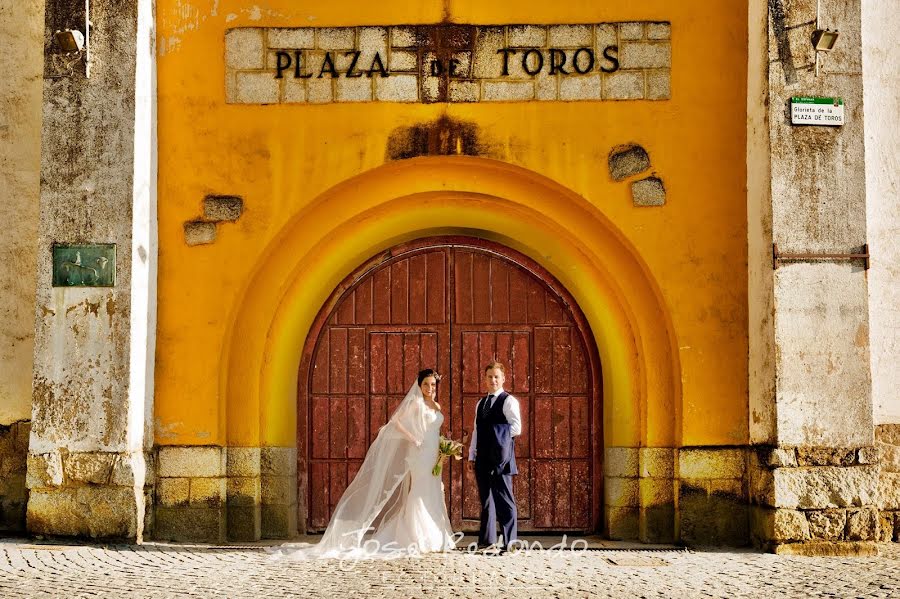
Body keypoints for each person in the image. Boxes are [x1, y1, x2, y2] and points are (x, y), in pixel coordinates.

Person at [274, 368, 458, 560]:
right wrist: (413, 438)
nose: (429, 388)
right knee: (420, 491)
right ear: (419, 386)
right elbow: (396, 421)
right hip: (419, 455)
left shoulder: (436, 405)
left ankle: (437, 536)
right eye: (426, 384)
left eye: (433, 385)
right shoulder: (416, 404)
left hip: (434, 456)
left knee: (435, 489)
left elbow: (434, 432)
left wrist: (443, 450)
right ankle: (418, 537)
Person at [467, 361, 522, 553]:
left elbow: (516, 427)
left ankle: (510, 543)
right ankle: (487, 541)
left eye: (496, 376)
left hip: (501, 457)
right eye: (489, 376)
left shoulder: (508, 401)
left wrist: (497, 434)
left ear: (503, 379)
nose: (493, 380)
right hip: (482, 457)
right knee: (487, 501)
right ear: (485, 379)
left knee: (505, 500)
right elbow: (476, 430)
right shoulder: (480, 403)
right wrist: (471, 455)